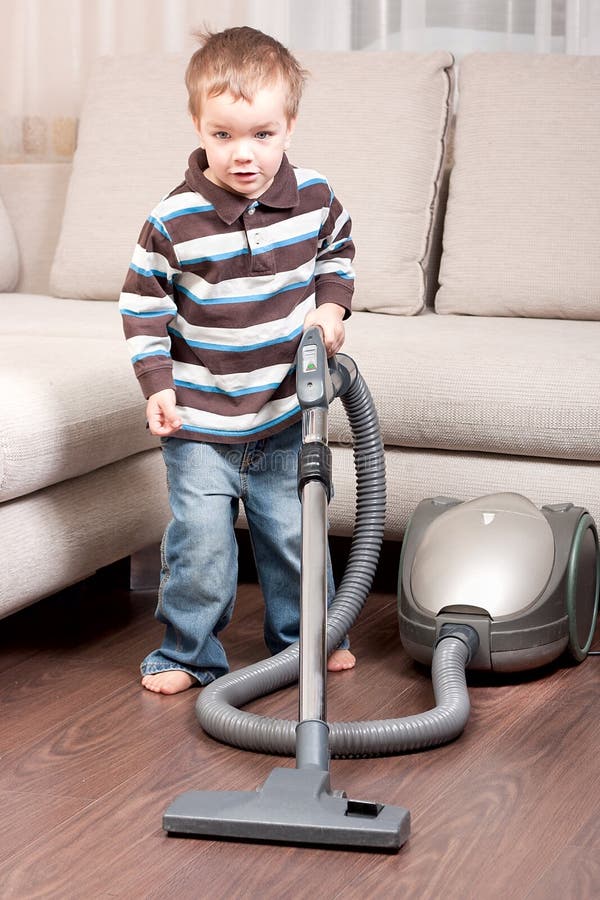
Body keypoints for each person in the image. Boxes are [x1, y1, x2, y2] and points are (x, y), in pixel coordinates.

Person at [119, 26, 356, 694]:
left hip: (287, 410)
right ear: (198, 125)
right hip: (200, 420)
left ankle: (309, 638)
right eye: (223, 135)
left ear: (289, 126)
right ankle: (187, 653)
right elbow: (142, 307)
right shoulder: (174, 219)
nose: (243, 155)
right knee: (201, 545)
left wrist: (331, 309)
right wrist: (156, 384)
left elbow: (337, 253)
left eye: (262, 135)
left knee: (294, 534)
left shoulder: (315, 196)